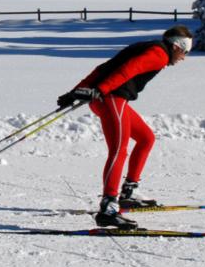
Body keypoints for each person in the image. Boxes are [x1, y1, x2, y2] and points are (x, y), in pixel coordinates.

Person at [57, 25, 193, 229]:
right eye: (185, 51)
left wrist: (76, 91)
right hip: (111, 98)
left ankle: (127, 194)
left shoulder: (149, 46)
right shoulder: (159, 54)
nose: (184, 57)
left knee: (146, 138)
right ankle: (108, 209)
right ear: (176, 46)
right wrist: (99, 90)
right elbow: (128, 70)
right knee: (119, 150)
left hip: (108, 98)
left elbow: (102, 68)